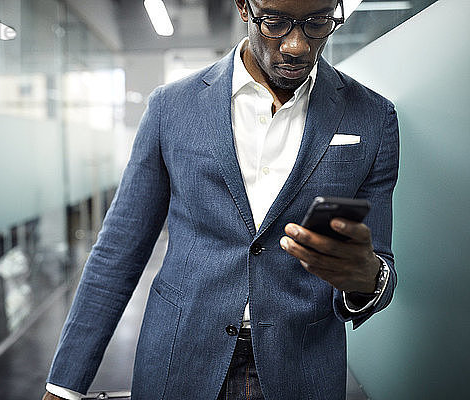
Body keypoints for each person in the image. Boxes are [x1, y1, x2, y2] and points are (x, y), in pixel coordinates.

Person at [43, 0, 399, 398]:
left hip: (302, 368)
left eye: (317, 23)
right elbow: (118, 250)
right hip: (179, 359)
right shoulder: (171, 108)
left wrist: (367, 279)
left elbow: (379, 265)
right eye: (276, 22)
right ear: (244, 7)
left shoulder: (373, 117)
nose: (298, 45)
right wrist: (64, 385)